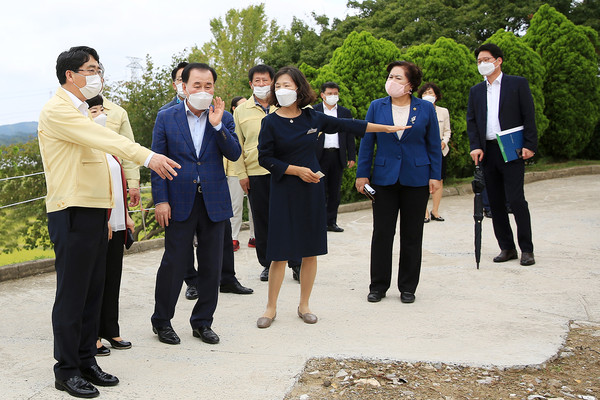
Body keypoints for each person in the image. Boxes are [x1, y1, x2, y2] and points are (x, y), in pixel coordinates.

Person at [38, 46, 179, 398]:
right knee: (72, 294)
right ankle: (66, 369)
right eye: (90, 68)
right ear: (70, 75)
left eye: (98, 68)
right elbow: (105, 140)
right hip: (71, 210)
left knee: (92, 292)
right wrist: (147, 156)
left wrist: (109, 211)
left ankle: (87, 360)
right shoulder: (58, 110)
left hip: (95, 211)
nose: (97, 75)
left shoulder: (82, 111)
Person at [256, 66, 407, 329]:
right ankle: (270, 308)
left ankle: (304, 305)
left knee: (309, 251)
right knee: (279, 254)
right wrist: (295, 171)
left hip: (311, 191)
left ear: (300, 89)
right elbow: (265, 158)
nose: (282, 90)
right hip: (284, 191)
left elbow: (348, 125)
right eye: (278, 86)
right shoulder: (269, 122)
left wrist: (386, 128)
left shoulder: (312, 117)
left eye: (288, 85)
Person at [150, 63, 242, 346]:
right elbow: (156, 164)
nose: (203, 91)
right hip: (178, 201)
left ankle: (202, 322)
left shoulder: (223, 117)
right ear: (184, 87)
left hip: (214, 201)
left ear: (214, 87)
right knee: (174, 263)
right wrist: (161, 200)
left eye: (208, 86)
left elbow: (234, 153)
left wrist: (217, 127)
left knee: (212, 266)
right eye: (197, 86)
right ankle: (162, 321)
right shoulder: (167, 117)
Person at [355, 60, 442, 305]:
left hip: (416, 178)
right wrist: (363, 174)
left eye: (398, 78)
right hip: (384, 178)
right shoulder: (376, 106)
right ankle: (378, 286)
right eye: (390, 77)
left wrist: (435, 176)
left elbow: (433, 145)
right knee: (382, 233)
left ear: (410, 85)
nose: (391, 82)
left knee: (412, 234)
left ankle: (407, 287)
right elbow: (367, 142)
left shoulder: (425, 108)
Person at [467, 43, 537, 266]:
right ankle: (506, 247)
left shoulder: (516, 84)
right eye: (479, 61)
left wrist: (529, 144)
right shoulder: (476, 91)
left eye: (486, 59)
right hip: (488, 150)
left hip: (511, 147)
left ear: (498, 61)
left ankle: (526, 249)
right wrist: (475, 145)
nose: (482, 64)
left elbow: (529, 115)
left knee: (516, 200)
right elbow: (472, 121)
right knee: (494, 202)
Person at [233, 64, 301, 282]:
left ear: (273, 82)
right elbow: (237, 146)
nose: (262, 84)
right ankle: (268, 263)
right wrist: (241, 174)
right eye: (257, 81)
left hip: (286, 171)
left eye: (265, 80)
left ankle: (296, 263)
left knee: (290, 218)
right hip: (256, 173)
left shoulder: (286, 105)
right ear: (251, 84)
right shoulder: (240, 112)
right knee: (263, 222)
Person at [87, 95, 134, 356]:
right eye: (92, 110)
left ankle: (110, 329)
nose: (99, 114)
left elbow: (119, 186)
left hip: (117, 220)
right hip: (101, 221)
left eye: (101, 109)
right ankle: (92, 335)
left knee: (113, 276)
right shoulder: (87, 149)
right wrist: (102, 220)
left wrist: (125, 216)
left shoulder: (111, 149)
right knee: (96, 279)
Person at [158, 61, 198, 300]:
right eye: (182, 79)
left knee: (213, 244)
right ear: (177, 84)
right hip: (179, 190)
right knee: (179, 248)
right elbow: (159, 159)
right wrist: (162, 198)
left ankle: (221, 278)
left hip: (208, 190)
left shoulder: (214, 112)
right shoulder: (165, 114)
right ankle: (191, 280)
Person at [313, 82, 356, 233]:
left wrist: (351, 156)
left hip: (337, 155)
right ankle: (319, 223)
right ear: (322, 95)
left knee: (335, 191)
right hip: (320, 156)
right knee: (320, 190)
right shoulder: (314, 111)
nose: (333, 96)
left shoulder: (345, 112)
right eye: (330, 93)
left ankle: (331, 222)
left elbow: (350, 135)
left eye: (335, 93)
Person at [418, 82, 451, 223]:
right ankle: (424, 212)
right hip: (422, 151)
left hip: (439, 151)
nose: (428, 95)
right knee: (423, 181)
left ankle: (435, 211)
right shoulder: (418, 110)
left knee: (438, 179)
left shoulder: (443, 111)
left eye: (430, 93)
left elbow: (447, 130)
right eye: (425, 93)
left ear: (436, 96)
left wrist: (444, 141)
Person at [227, 96, 248, 251]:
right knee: (235, 206)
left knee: (256, 208)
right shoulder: (229, 123)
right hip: (234, 171)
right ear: (234, 108)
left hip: (255, 168)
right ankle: (233, 238)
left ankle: (256, 236)